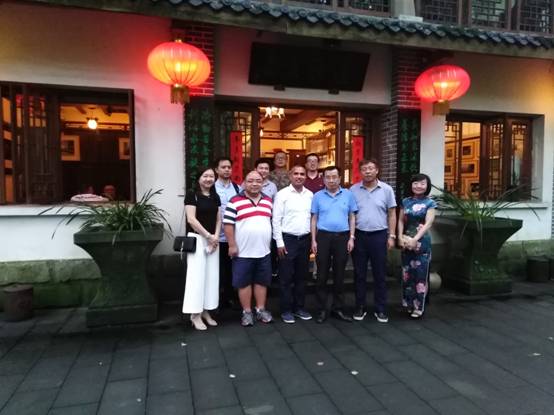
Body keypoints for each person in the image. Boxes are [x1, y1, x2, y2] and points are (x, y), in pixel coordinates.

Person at [224, 170, 274, 326]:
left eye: (258, 181)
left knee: (262, 282)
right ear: (244, 183)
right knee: (243, 283)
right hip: (242, 252)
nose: (254, 184)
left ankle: (260, 309)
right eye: (250, 181)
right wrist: (232, 245)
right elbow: (228, 224)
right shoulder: (235, 201)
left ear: (262, 183)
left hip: (264, 251)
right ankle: (246, 312)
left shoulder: (268, 201)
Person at [350, 159, 397, 323]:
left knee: (380, 274)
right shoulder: (353, 190)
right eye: (364, 169)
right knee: (359, 274)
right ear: (360, 172)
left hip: (379, 236)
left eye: (371, 168)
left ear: (377, 170)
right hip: (360, 236)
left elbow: (392, 214)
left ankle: (381, 308)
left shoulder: (387, 189)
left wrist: (392, 236)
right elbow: (351, 215)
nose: (368, 171)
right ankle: (360, 306)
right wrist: (351, 236)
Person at [311, 166, 358, 323]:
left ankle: (338, 308)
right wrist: (313, 240)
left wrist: (351, 237)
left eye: (334, 177)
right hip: (323, 237)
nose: (331, 180)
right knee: (322, 275)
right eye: (328, 177)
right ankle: (321, 309)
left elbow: (352, 217)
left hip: (342, 237)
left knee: (339, 274)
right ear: (323, 179)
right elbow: (314, 219)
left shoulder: (348, 195)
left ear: (340, 178)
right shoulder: (318, 196)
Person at [182, 166, 221, 330]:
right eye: (205, 176)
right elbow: (191, 220)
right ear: (199, 178)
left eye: (211, 176)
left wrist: (216, 237)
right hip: (198, 239)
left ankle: (205, 311)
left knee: (211, 277)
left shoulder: (215, 196)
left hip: (213, 241)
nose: (208, 179)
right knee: (196, 278)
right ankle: (195, 314)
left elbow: (219, 219)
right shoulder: (192, 195)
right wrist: (208, 236)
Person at [272, 165, 313, 324]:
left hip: (305, 239)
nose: (299, 176)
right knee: (286, 277)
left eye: (302, 174)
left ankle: (299, 308)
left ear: (305, 177)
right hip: (287, 240)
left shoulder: (310, 195)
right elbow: (276, 220)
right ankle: (286, 310)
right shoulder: (282, 194)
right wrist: (279, 242)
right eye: (296, 173)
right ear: (290, 176)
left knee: (301, 276)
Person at [397, 173, 436, 319]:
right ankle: (408, 303)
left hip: (421, 242)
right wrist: (400, 236)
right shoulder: (405, 201)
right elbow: (401, 220)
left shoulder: (430, 203)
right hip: (406, 241)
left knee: (420, 275)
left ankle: (419, 307)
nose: (418, 186)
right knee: (407, 274)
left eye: (422, 183)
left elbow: (428, 223)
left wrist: (415, 239)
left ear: (427, 186)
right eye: (415, 183)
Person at [214, 157, 241, 309]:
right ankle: (215, 299)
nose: (226, 170)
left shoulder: (237, 188)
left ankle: (229, 297)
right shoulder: (211, 187)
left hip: (233, 238)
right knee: (217, 270)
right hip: (216, 237)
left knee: (231, 269)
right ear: (216, 170)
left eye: (229, 167)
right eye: (223, 167)